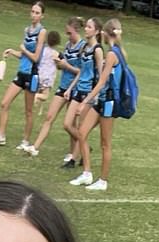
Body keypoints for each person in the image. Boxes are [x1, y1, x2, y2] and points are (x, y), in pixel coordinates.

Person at [70, 18, 126, 192]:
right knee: (81, 132)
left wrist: (85, 102)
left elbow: (101, 82)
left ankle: (103, 181)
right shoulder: (116, 52)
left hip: (108, 102)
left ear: (103, 33)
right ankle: (87, 173)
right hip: (101, 100)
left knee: (105, 144)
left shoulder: (112, 54)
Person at [0, 3, 48, 151]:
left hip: (32, 75)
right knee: (4, 103)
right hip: (21, 73)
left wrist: (23, 49)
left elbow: (35, 57)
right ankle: (1, 136)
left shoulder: (42, 32)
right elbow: (23, 55)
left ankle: (26, 141)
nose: (33, 15)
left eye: (37, 12)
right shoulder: (27, 30)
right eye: (32, 11)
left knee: (28, 110)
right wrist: (13, 52)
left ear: (42, 16)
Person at [26, 18, 85, 160]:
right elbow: (62, 66)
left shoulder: (83, 46)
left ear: (76, 30)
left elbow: (82, 72)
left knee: (71, 124)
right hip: (63, 86)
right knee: (49, 117)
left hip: (75, 89)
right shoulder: (67, 45)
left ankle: (76, 151)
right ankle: (35, 148)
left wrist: (65, 66)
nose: (67, 36)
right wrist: (58, 63)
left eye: (69, 33)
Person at [60, 17, 104, 172]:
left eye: (89, 27)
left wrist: (92, 97)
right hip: (78, 90)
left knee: (81, 129)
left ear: (96, 31)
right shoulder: (84, 47)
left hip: (88, 94)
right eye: (86, 26)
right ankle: (85, 146)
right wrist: (70, 88)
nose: (86, 29)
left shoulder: (98, 50)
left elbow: (101, 75)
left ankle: (73, 159)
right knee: (67, 124)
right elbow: (81, 72)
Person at [34, 30, 62, 112]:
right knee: (45, 96)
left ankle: (38, 109)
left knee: (39, 90)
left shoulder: (43, 50)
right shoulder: (56, 54)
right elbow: (58, 65)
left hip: (40, 74)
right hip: (48, 77)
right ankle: (36, 96)